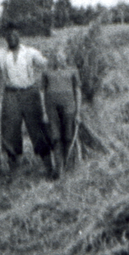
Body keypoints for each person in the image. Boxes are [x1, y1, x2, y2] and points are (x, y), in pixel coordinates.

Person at [0, 24, 51, 177]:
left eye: (14, 34)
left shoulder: (30, 52)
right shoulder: (0, 54)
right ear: (5, 37)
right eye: (8, 35)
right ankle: (14, 173)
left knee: (38, 128)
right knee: (10, 130)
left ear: (19, 35)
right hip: (11, 94)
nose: (11, 37)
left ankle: (49, 168)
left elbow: (45, 63)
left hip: (30, 93)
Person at [42, 49, 81, 178]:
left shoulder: (72, 71)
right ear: (54, 59)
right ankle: (59, 168)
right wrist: (44, 112)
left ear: (66, 58)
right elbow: (42, 91)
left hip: (69, 107)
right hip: (51, 109)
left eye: (61, 56)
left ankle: (69, 165)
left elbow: (77, 91)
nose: (59, 59)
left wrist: (78, 112)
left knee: (69, 136)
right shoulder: (47, 72)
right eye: (56, 57)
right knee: (55, 137)